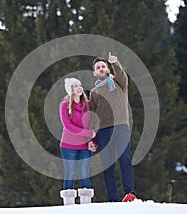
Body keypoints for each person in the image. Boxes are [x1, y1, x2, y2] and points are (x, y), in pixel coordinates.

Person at [89, 52, 136, 202]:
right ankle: (112, 199)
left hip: (121, 127)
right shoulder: (94, 92)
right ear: (95, 73)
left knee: (125, 160)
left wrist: (115, 63)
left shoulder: (118, 82)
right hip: (103, 131)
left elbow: (122, 75)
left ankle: (129, 193)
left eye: (103, 66)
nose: (101, 69)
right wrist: (92, 138)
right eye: (98, 67)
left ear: (108, 70)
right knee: (107, 166)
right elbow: (93, 116)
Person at [59, 77, 97, 205]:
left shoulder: (88, 105)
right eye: (75, 86)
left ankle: (86, 205)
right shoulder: (64, 105)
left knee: (84, 172)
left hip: (85, 146)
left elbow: (93, 124)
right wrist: (87, 133)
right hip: (68, 146)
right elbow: (68, 126)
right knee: (70, 173)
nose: (79, 88)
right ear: (70, 90)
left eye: (80, 85)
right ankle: (69, 205)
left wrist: (93, 141)